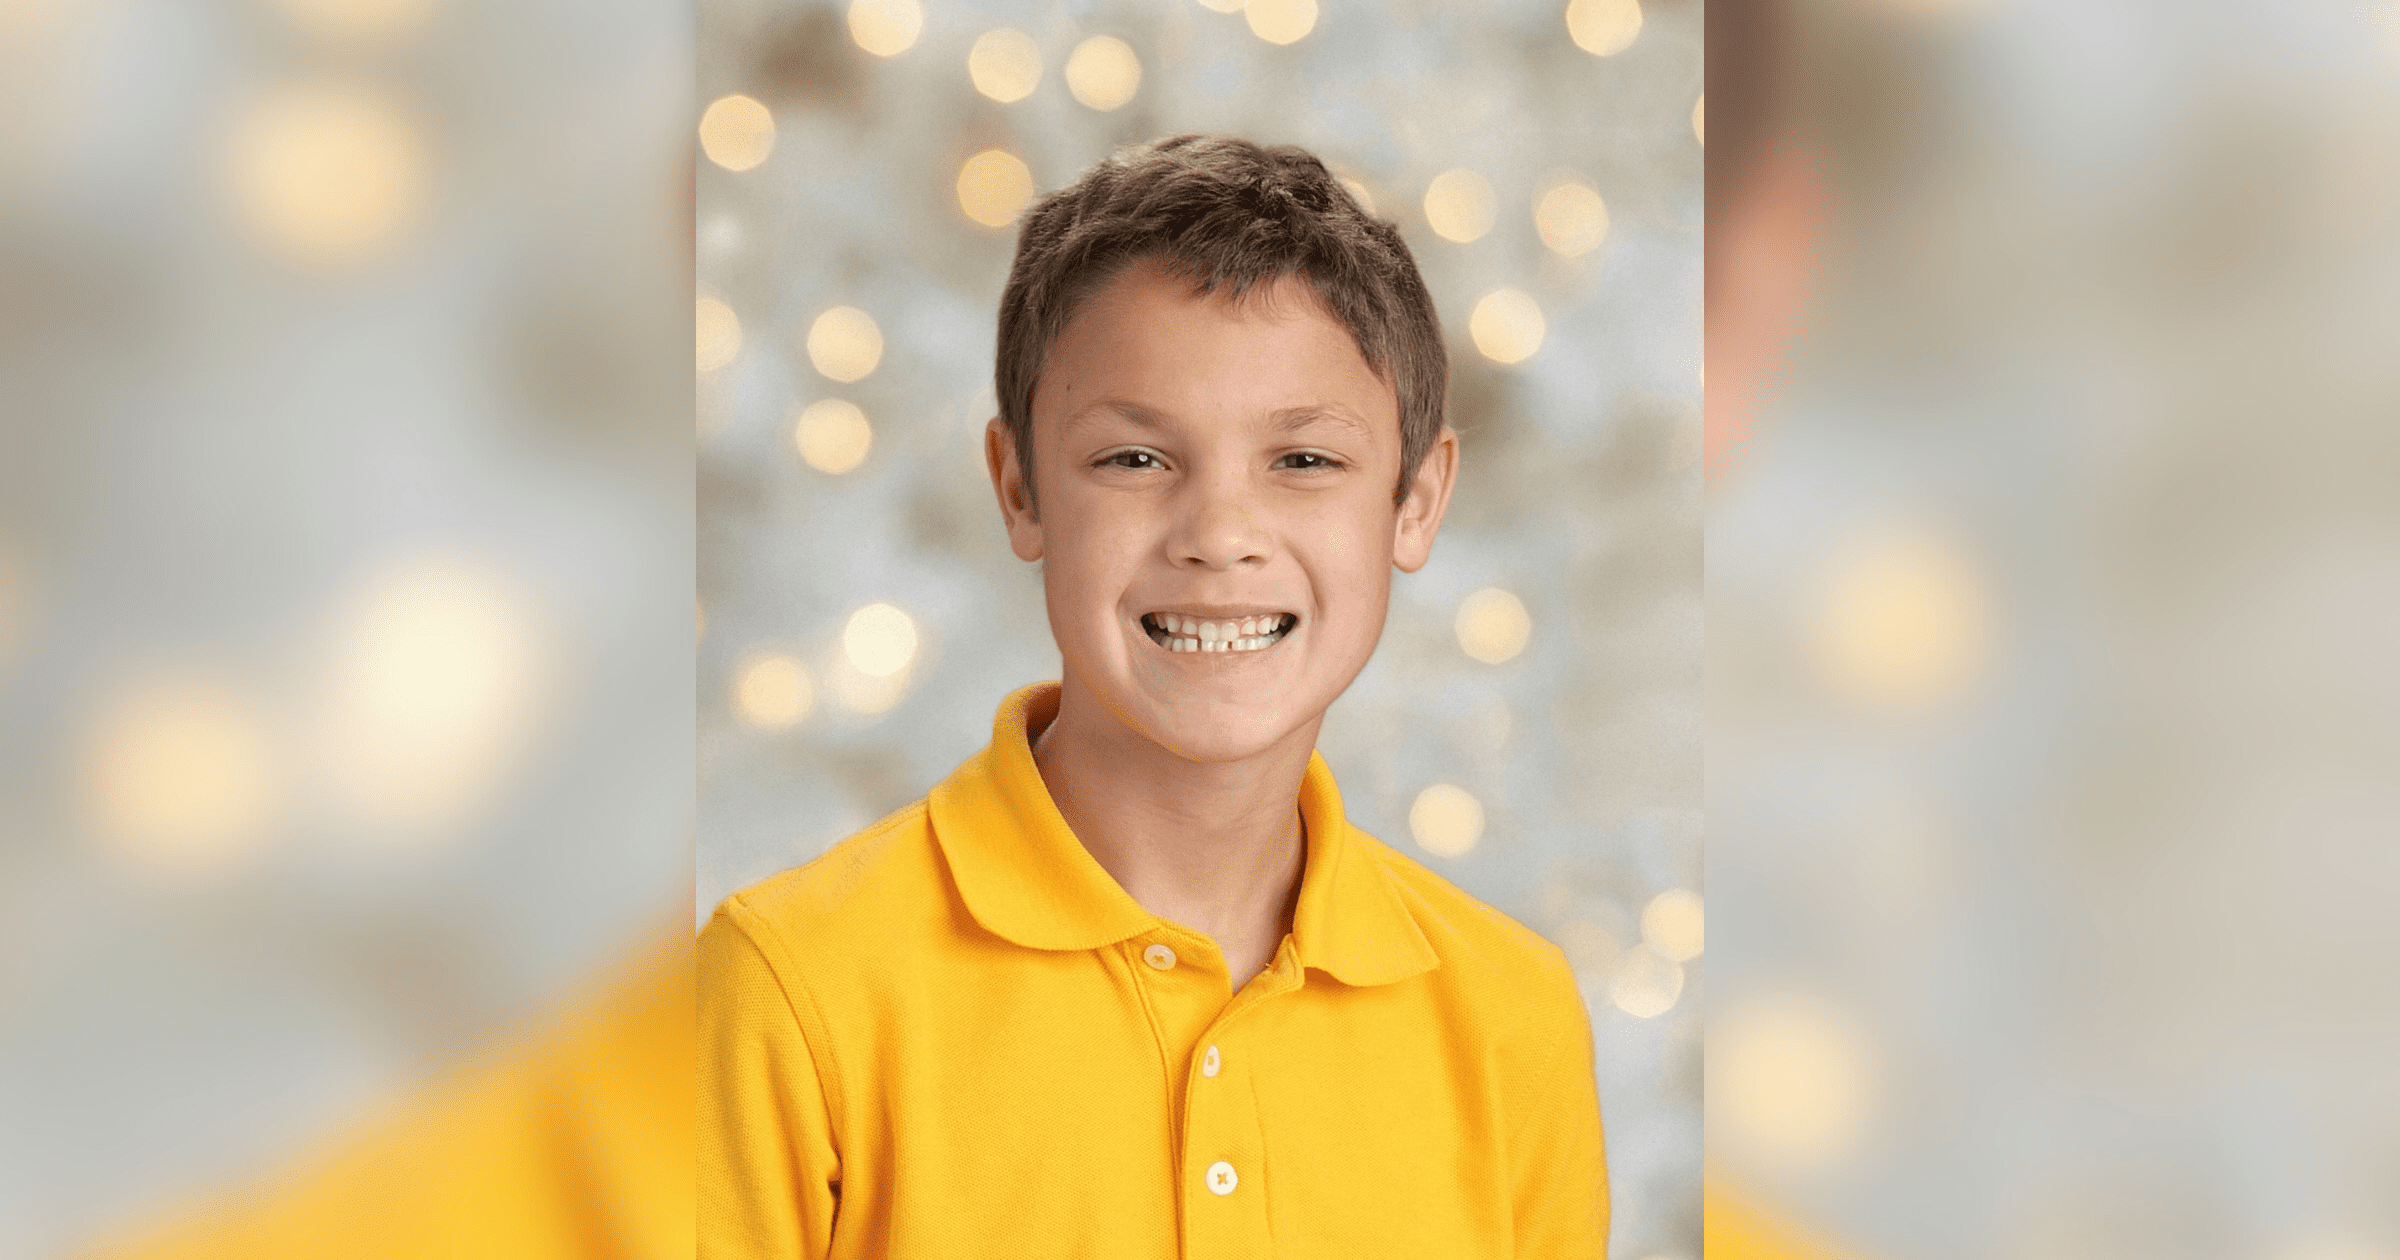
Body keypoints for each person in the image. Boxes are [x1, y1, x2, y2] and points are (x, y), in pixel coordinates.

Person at [697, 135, 1608, 1257]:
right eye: (1135, 460)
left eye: (1304, 462)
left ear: (1415, 502)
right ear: (1020, 488)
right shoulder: (796, 988)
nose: (1220, 537)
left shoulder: (1510, 1015)